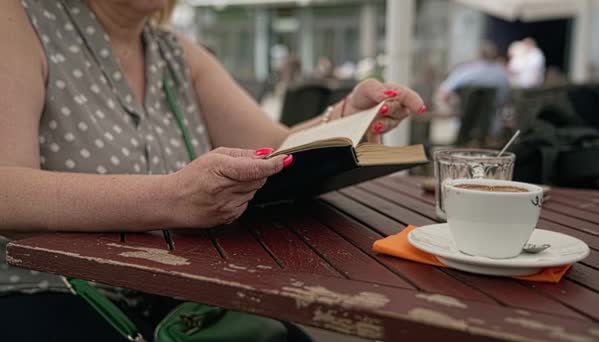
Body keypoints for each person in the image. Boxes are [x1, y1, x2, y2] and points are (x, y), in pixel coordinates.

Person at [0, 0, 426, 340]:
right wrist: (172, 197)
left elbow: (277, 147)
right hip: (47, 290)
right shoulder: (17, 19)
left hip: (175, 292)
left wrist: (348, 116)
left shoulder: (176, 53)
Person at [434, 41, 510, 137]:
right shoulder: (503, 74)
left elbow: (442, 93)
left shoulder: (466, 71)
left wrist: (454, 108)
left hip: (465, 127)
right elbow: (507, 100)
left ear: (478, 54)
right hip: (493, 129)